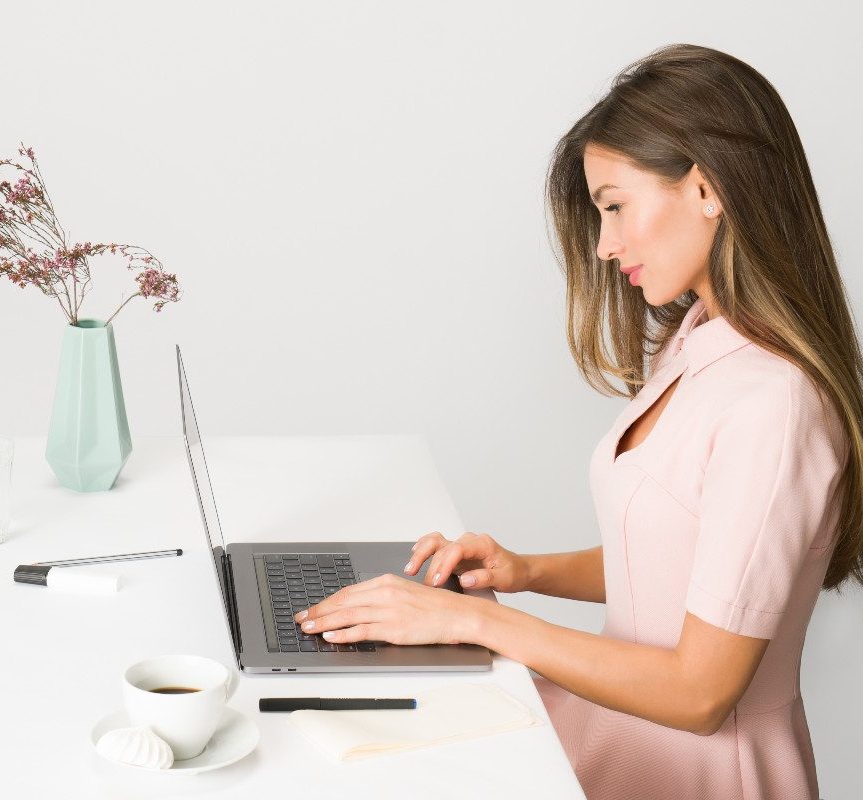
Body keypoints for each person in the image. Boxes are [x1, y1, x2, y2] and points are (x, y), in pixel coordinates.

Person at [294, 43, 862, 800]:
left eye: (615, 205)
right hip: (618, 735)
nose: (603, 245)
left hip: (702, 773)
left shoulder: (775, 404)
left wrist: (480, 624)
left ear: (706, 188)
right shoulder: (696, 345)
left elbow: (701, 693)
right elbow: (674, 556)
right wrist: (523, 571)